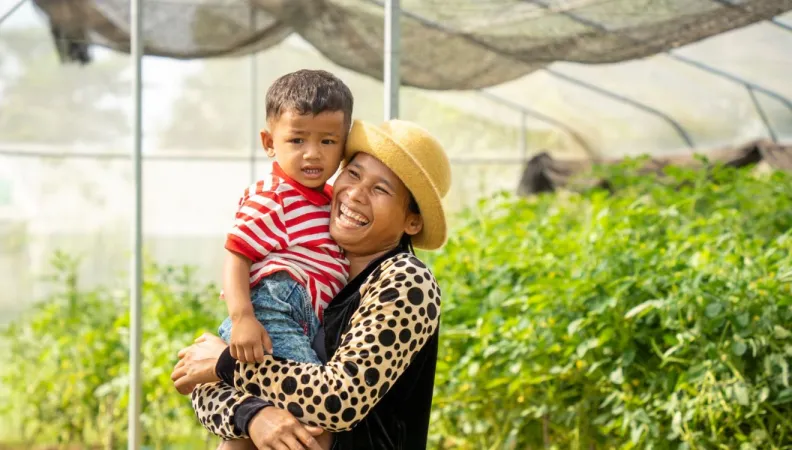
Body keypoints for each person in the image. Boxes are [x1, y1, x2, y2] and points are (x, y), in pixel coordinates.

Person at [172, 118, 452, 450]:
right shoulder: (310, 267)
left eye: (380, 189)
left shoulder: (405, 280)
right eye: (353, 174)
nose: (356, 194)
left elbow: (338, 401)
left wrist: (225, 365)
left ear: (412, 220)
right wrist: (254, 416)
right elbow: (201, 388)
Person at [217, 68, 353, 370]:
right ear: (269, 143)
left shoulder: (331, 199)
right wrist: (243, 319)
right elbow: (237, 256)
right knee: (313, 396)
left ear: (345, 146)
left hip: (305, 320)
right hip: (273, 313)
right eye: (297, 140)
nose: (312, 153)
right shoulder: (273, 196)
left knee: (299, 399)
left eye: (328, 142)